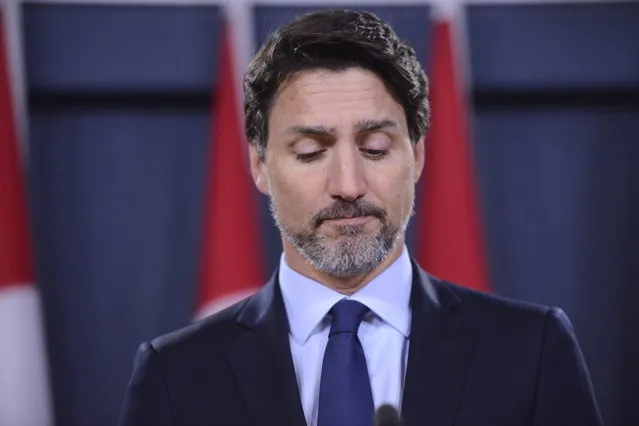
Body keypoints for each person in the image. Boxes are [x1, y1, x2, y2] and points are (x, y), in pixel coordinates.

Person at [118, 9, 603, 426]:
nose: (348, 185)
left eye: (375, 148)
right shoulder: (174, 373)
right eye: (310, 152)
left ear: (416, 155)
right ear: (260, 166)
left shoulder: (532, 351)